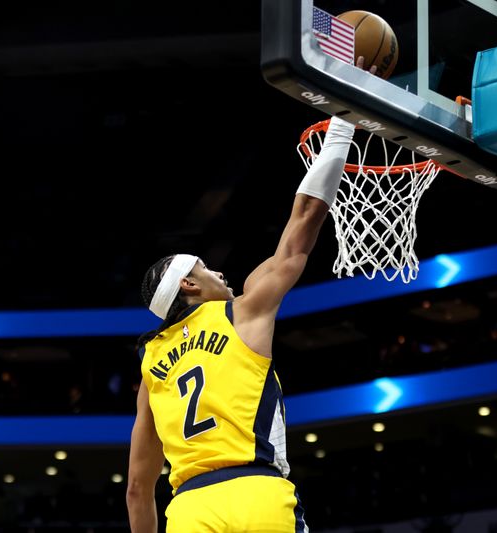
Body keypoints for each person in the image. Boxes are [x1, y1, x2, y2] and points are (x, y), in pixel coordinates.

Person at [126, 62, 376, 533]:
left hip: (191, 509)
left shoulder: (150, 364)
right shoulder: (241, 311)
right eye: (205, 268)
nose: (220, 271)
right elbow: (301, 229)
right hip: (257, 493)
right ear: (188, 286)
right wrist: (344, 121)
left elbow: (139, 489)